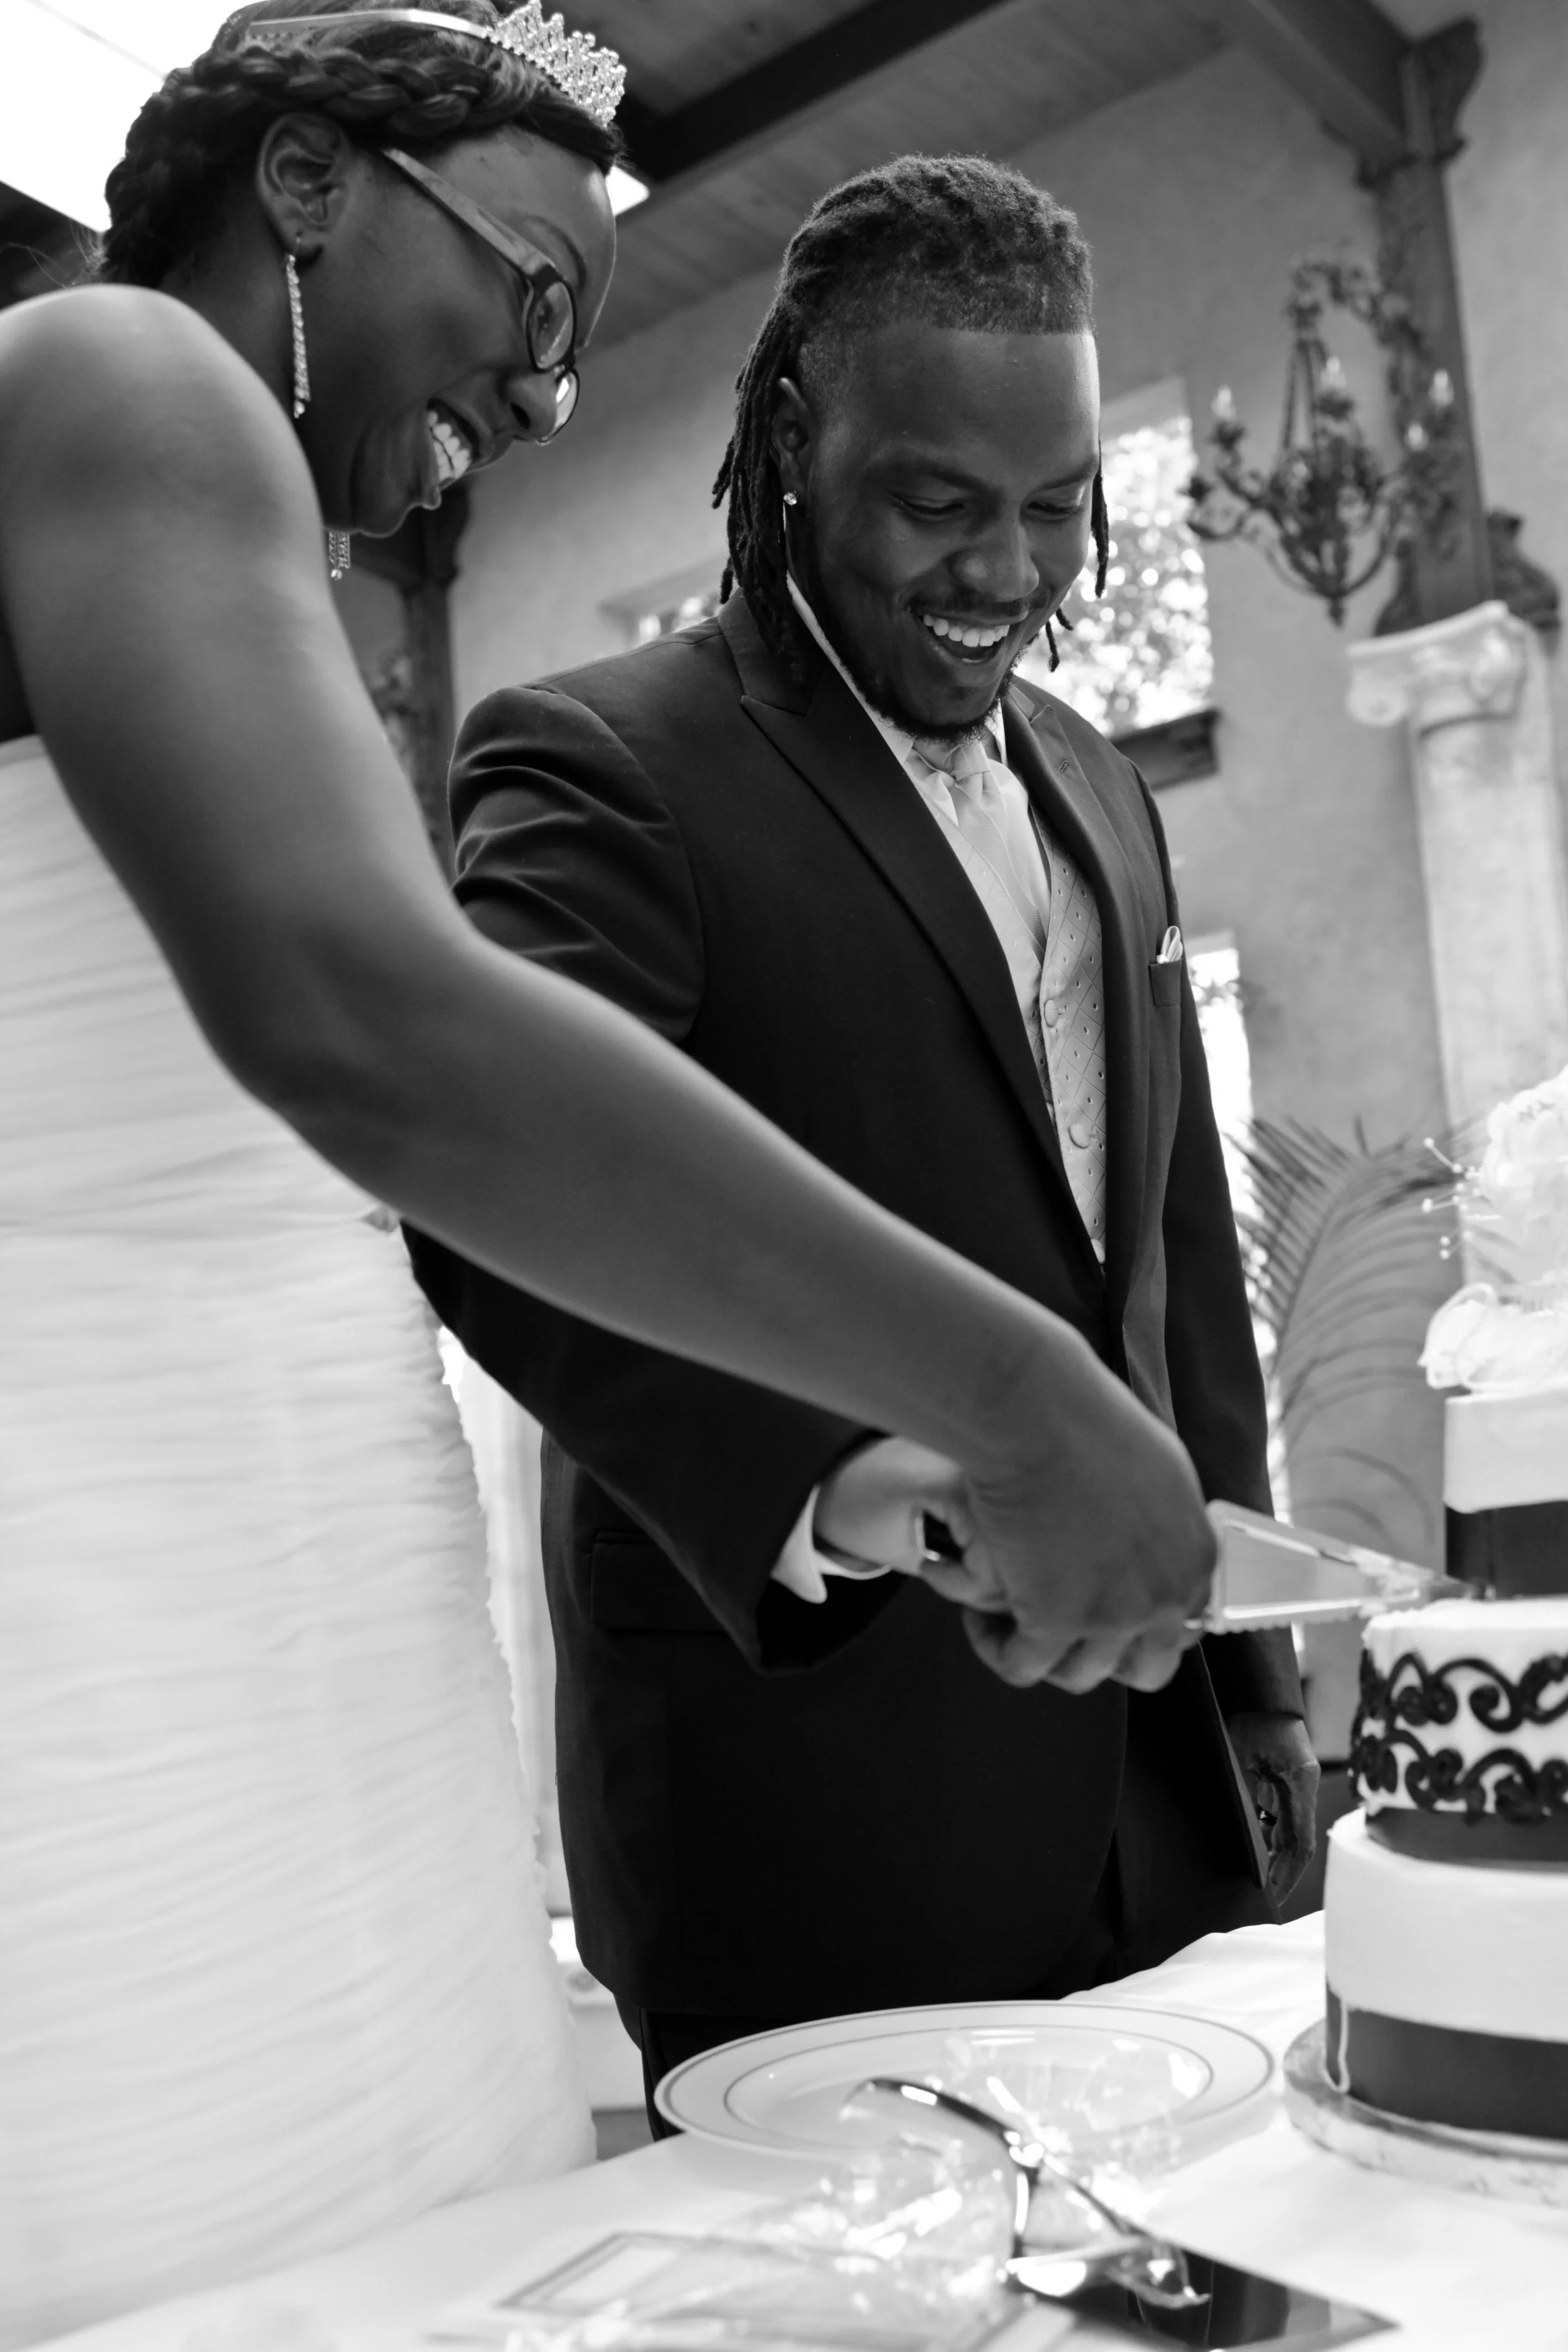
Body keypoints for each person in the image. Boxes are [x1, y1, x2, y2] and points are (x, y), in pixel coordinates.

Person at [0, 7, 1225, 2337]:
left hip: (307, 1615)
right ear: (306, 185)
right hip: (116, 1578)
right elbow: (376, 1030)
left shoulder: (206, 504)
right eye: (531, 296)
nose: (549, 396)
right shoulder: (116, 377)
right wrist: (1010, 1392)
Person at [410, 154, 1322, 2127]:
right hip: (815, 1799)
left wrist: (1251, 1681)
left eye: (1058, 505)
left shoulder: (1093, 777)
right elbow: (505, 1202)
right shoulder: (600, 762)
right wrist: (862, 1477)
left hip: (1162, 1802)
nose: (1010, 571)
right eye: (938, 505)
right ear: (797, 447)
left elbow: (1152, 1257)